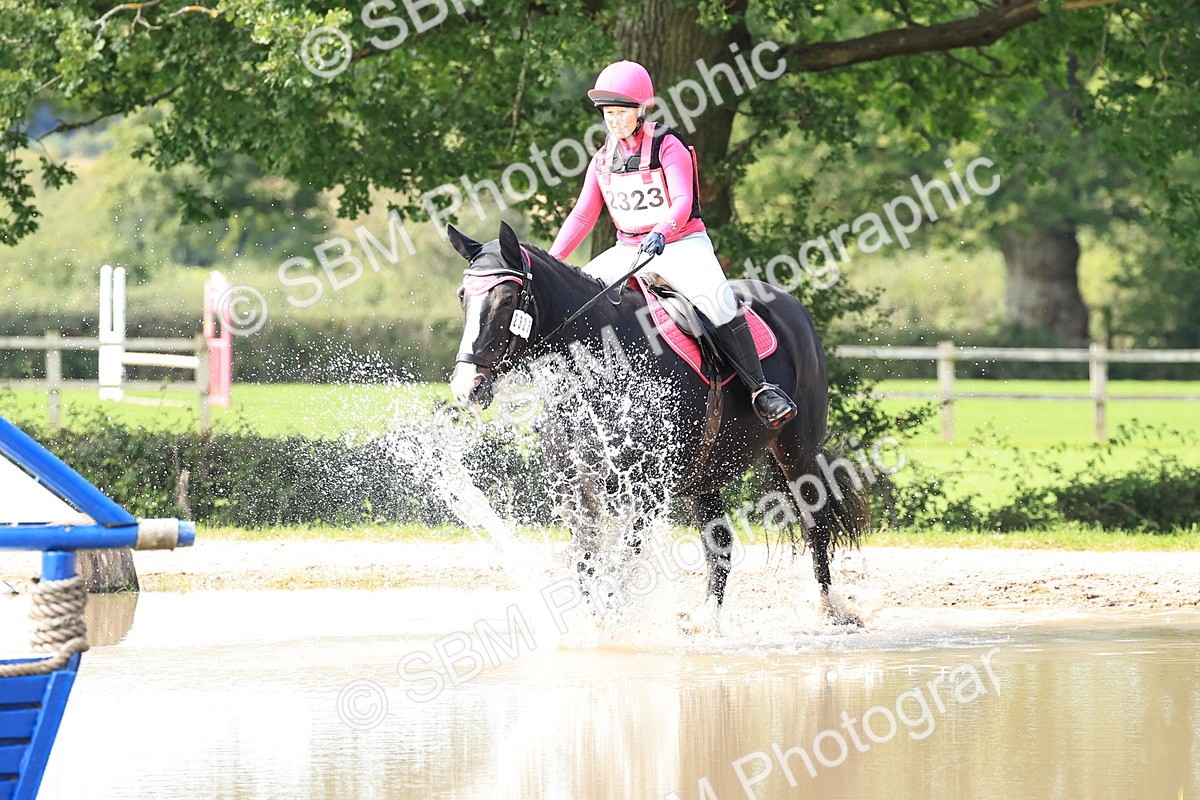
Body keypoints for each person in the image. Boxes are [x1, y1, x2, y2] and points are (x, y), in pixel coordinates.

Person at [549, 59, 797, 428]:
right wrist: (553, 261)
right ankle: (566, 396)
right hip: (629, 249)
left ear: (642, 109)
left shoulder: (668, 146)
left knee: (717, 301)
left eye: (621, 113)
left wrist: (661, 232)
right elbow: (583, 217)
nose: (614, 121)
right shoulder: (603, 159)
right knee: (578, 300)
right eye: (608, 114)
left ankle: (761, 388)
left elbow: (682, 201)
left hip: (680, 243)